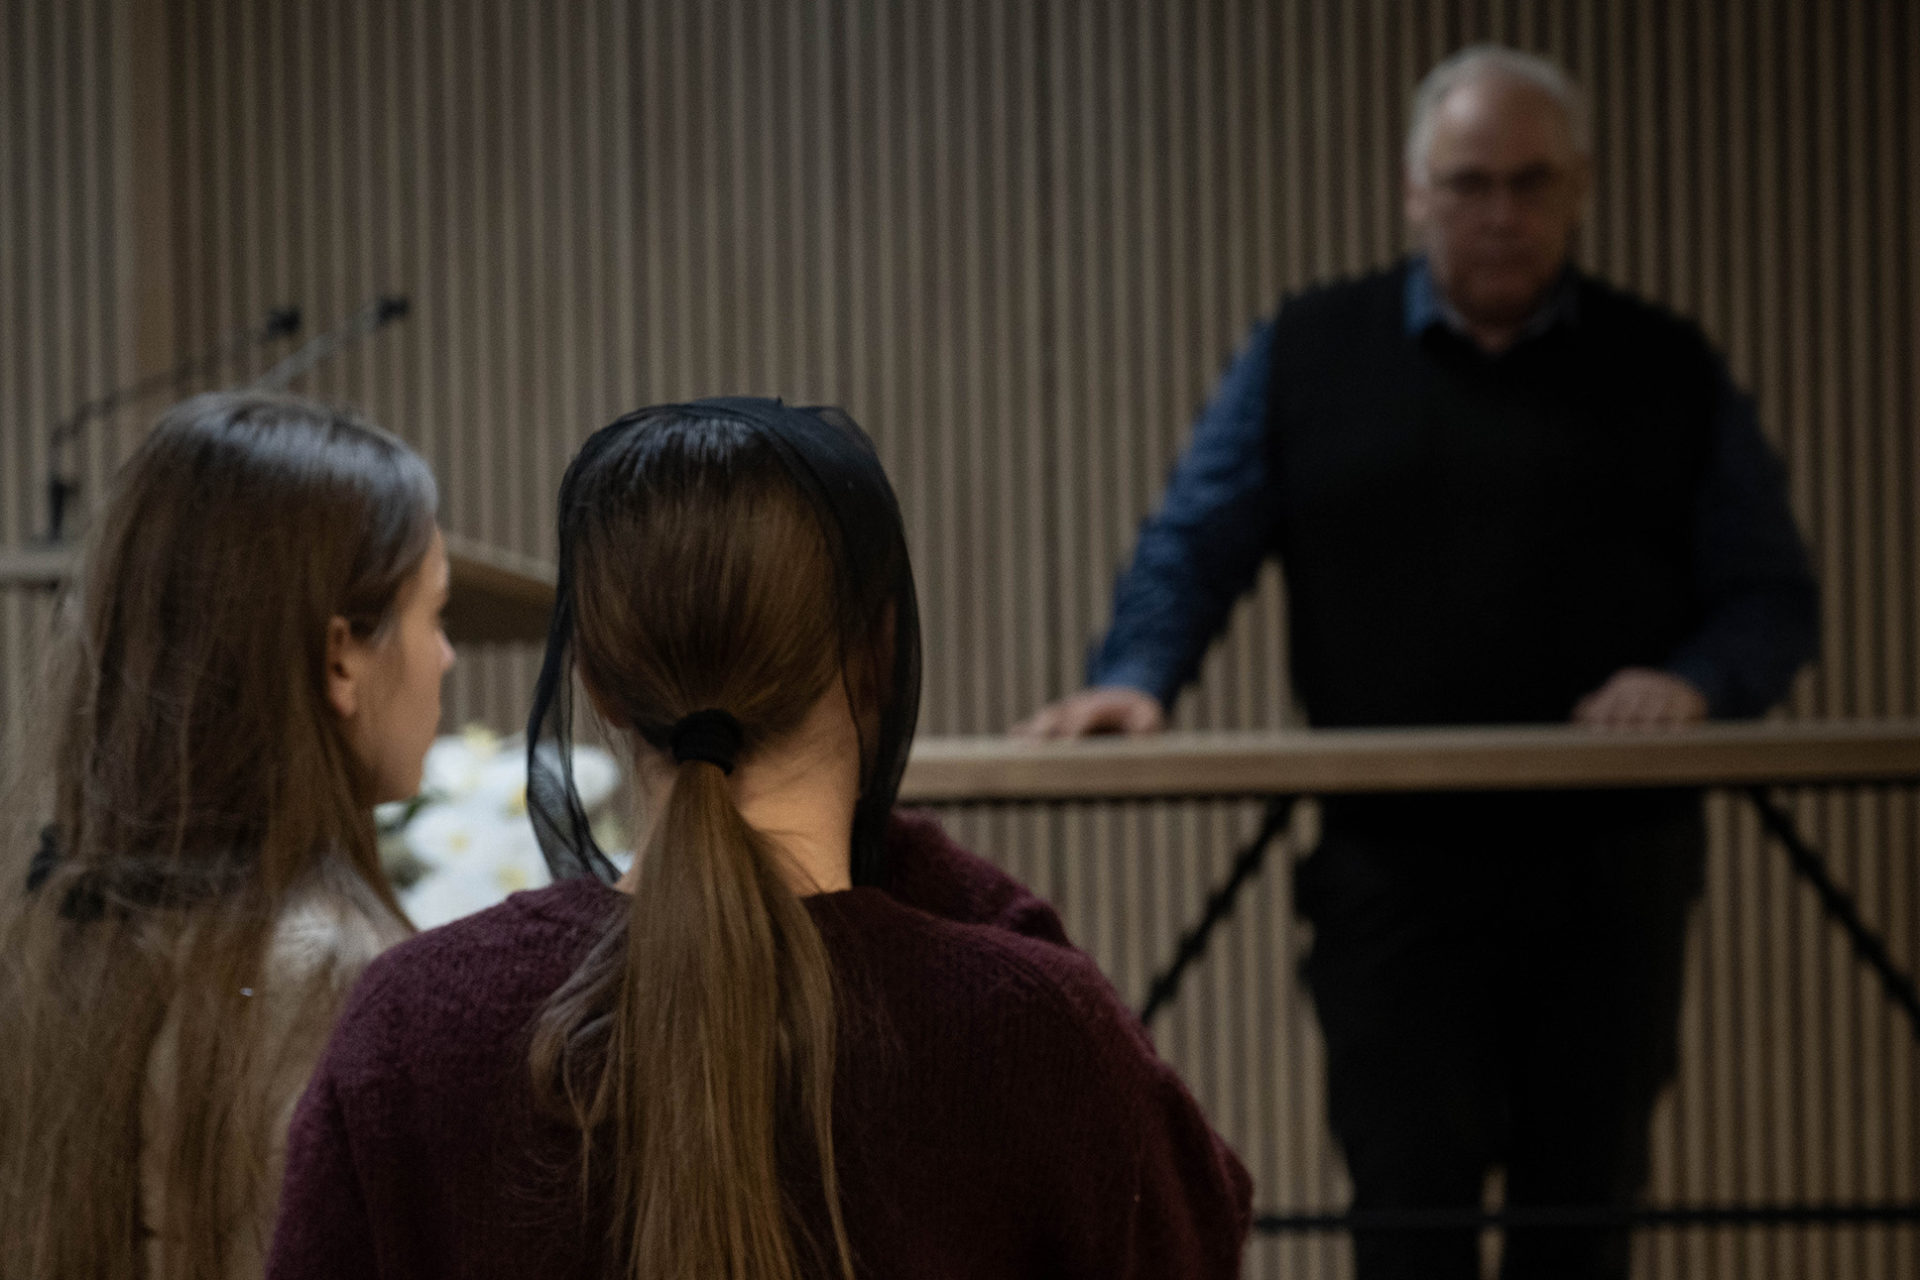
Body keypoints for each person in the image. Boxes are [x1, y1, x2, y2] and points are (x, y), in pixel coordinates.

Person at [1018, 45, 1818, 1280]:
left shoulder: (1664, 364)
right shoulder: (1308, 347)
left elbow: (1772, 592)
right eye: (1469, 181)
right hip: (1392, 877)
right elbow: (1200, 532)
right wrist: (1139, 673)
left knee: (1583, 1211)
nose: (1500, 211)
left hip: (1614, 872)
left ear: (1581, 187)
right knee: (1407, 1213)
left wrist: (1699, 679)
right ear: (1413, 190)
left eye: (1531, 182)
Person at [267, 398, 1252, 1280]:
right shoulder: (1038, 1034)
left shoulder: (411, 1023)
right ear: (880, 659)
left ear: (601, 684)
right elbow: (1199, 1227)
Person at [0, 392, 453, 1280]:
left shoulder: (43, 942)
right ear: (339, 659)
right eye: (436, 615)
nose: (445, 658)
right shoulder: (348, 983)